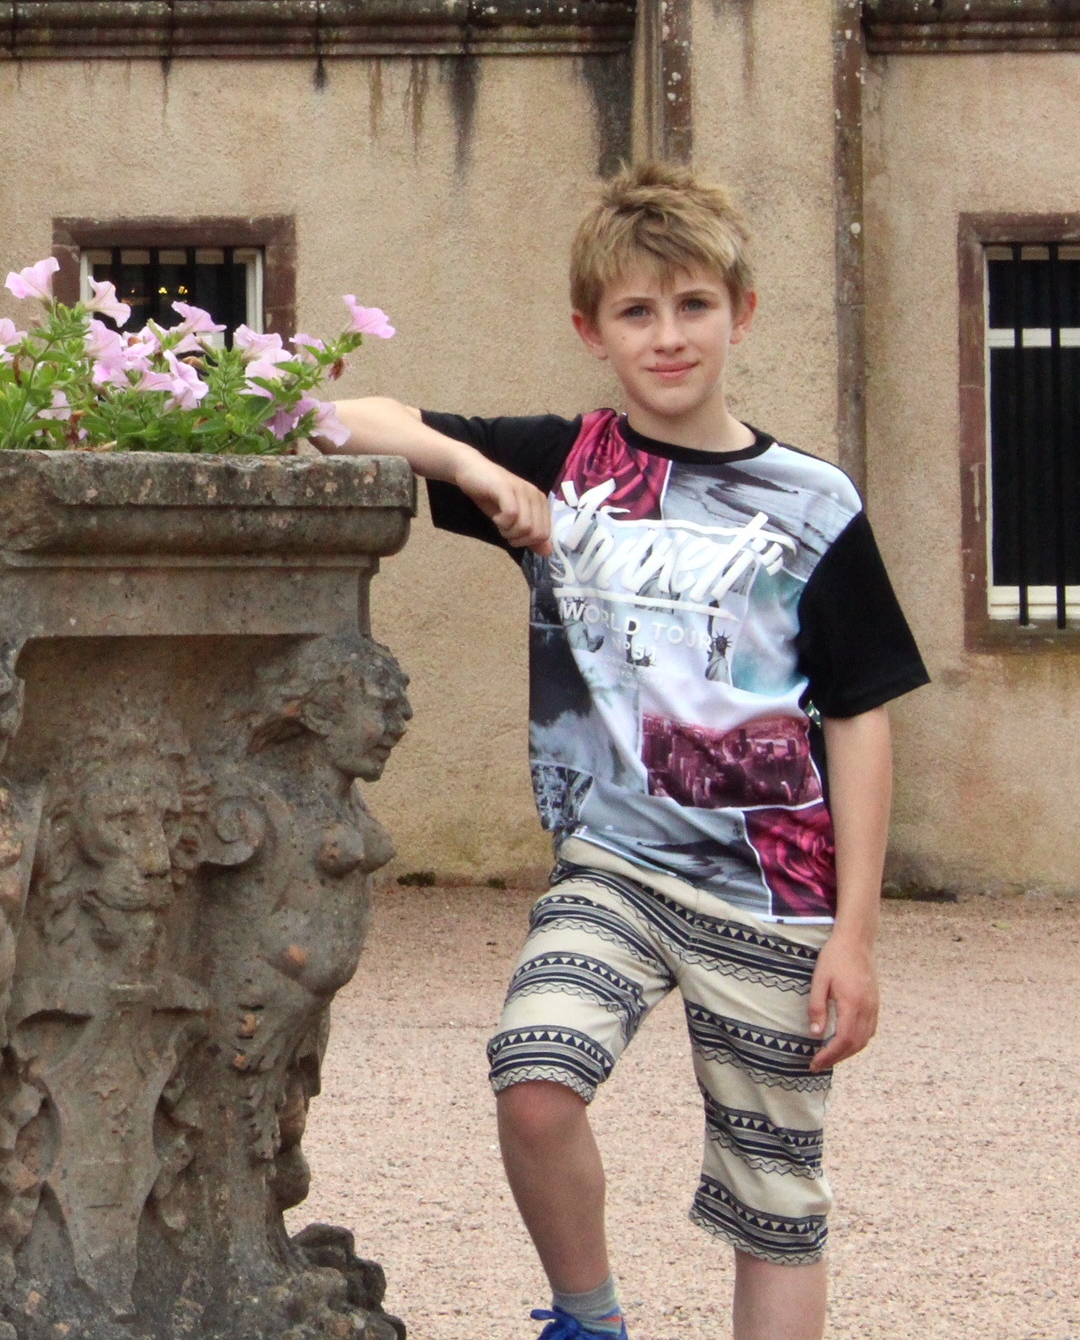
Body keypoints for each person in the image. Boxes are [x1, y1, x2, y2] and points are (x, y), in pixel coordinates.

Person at [334, 163, 927, 1340]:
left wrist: (854, 937)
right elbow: (331, 416)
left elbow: (859, 717)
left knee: (775, 1207)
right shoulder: (565, 469)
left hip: (776, 896)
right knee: (534, 1075)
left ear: (741, 312)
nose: (668, 336)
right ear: (591, 330)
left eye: (693, 304)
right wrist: (468, 467)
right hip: (615, 869)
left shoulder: (814, 504)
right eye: (637, 313)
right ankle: (588, 1321)